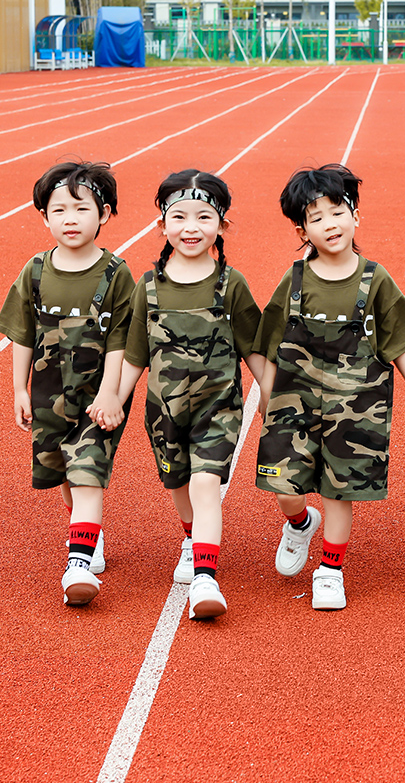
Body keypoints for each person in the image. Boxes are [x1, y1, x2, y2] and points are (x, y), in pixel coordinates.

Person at [254, 163, 405, 611]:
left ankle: (331, 570)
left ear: (355, 214)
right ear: (302, 230)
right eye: (315, 218)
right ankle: (299, 524)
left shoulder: (375, 279)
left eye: (336, 212)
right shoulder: (294, 280)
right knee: (283, 485)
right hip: (293, 401)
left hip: (357, 404)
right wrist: (265, 391)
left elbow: (397, 341)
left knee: (340, 490)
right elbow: (265, 341)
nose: (329, 224)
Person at [106, 170, 263, 620]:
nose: (190, 227)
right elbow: (135, 351)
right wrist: (115, 397)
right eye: (179, 217)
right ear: (162, 225)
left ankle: (205, 576)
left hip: (219, 407)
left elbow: (252, 346)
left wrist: (273, 396)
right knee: (177, 482)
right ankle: (191, 537)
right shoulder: (149, 286)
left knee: (205, 481)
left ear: (222, 225)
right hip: (164, 411)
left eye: (203, 216)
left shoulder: (230, 284)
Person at [0, 161, 134, 606]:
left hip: (98, 391)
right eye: (58, 210)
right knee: (61, 465)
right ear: (44, 217)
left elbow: (121, 338)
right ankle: (86, 529)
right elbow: (21, 331)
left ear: (105, 214)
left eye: (80, 209)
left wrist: (112, 393)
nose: (69, 219)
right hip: (48, 389)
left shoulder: (117, 274)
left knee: (87, 464)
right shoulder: (35, 271)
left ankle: (78, 562)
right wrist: (19, 389)